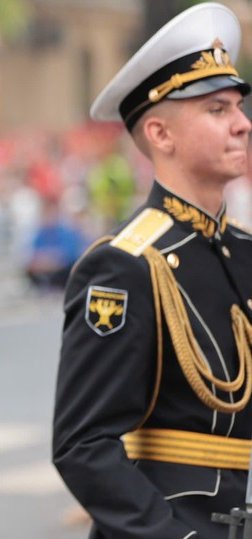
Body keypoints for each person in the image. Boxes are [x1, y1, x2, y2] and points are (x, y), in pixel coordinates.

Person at [53, 3, 252, 537]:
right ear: (161, 135)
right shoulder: (124, 265)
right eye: (217, 110)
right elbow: (83, 444)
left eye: (238, 107)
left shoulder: (243, 250)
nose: (243, 124)